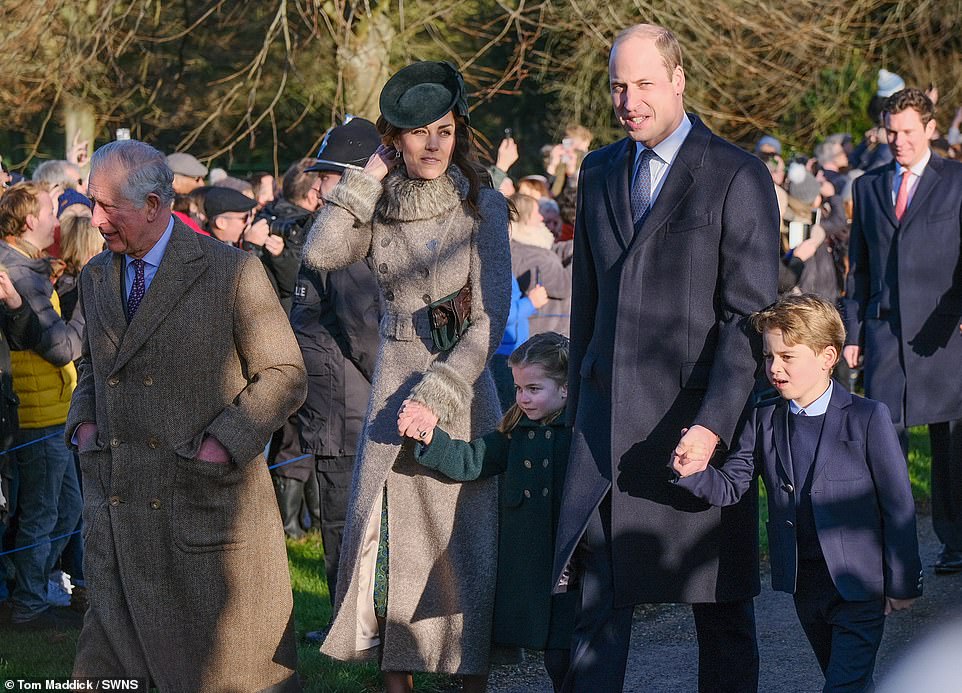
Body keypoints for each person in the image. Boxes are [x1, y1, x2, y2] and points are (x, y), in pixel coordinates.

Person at [553, 23, 779, 692]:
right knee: (588, 604)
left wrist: (714, 424)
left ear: (679, 80)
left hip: (697, 426)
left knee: (722, 614)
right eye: (619, 86)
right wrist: (580, 411)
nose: (629, 100)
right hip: (605, 433)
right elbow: (587, 306)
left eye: (645, 84)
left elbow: (748, 318)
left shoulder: (737, 173)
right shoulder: (595, 173)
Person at [301, 60, 510, 692]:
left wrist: (441, 393)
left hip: (464, 393)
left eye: (444, 130)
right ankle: (396, 679)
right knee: (390, 548)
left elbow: (490, 318)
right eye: (418, 133)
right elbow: (319, 251)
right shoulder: (380, 206)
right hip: (392, 391)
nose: (433, 145)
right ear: (394, 139)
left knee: (465, 552)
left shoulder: (484, 204)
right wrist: (365, 183)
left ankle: (470, 677)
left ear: (458, 132)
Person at [67, 139, 307, 690]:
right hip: (120, 511)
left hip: (205, 513)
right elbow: (91, 366)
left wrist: (222, 443)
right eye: (91, 202)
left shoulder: (231, 273)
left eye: (107, 207)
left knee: (221, 673)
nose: (95, 219)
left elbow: (285, 373)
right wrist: (82, 425)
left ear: (153, 205)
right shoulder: (97, 276)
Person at [674, 294, 923, 692]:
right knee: (846, 679)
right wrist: (694, 472)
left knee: (843, 685)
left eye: (788, 357)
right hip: (805, 585)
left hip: (861, 583)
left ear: (828, 357)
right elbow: (733, 485)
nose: (775, 368)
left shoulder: (867, 417)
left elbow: (898, 507)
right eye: (770, 357)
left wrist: (904, 581)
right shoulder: (764, 417)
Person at [400, 331, 577, 692]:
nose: (523, 398)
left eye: (533, 389)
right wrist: (432, 439)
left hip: (570, 565)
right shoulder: (514, 435)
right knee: (553, 655)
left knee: (569, 656)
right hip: (529, 568)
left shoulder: (577, 434)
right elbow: (471, 460)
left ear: (564, 389)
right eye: (518, 389)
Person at [842, 87, 962, 575]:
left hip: (946, 333)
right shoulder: (868, 186)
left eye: (908, 131)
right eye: (891, 132)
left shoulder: (957, 181)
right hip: (886, 333)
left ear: (930, 128)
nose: (899, 141)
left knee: (950, 446)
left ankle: (955, 541)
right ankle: (893, 547)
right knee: (883, 443)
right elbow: (859, 269)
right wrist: (852, 333)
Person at [0, 182, 85, 631]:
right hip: (37, 415)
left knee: (67, 508)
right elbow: (61, 347)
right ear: (30, 220)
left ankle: (27, 587)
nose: (57, 219)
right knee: (42, 513)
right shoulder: (20, 275)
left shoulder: (25, 268)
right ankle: (29, 603)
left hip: (52, 410)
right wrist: (91, 305)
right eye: (51, 210)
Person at [509, 193, 571, 336]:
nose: (541, 217)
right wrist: (580, 260)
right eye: (536, 212)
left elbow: (550, 251)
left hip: (542, 330)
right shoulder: (528, 255)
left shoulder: (525, 245)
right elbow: (564, 285)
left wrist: (571, 248)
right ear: (524, 217)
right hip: (544, 332)